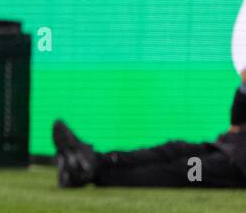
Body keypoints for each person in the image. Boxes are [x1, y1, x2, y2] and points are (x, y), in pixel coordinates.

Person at [52, 74, 246, 188]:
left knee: (186, 168)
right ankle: (94, 160)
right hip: (232, 146)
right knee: (174, 149)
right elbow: (236, 121)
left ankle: (89, 173)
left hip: (239, 165)